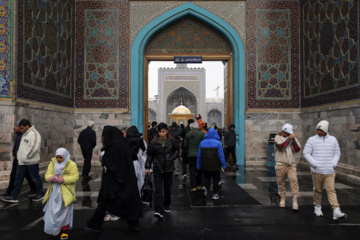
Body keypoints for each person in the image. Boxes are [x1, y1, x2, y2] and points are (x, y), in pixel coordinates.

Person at [85, 126, 142, 233]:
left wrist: (105, 157)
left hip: (115, 182)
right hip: (125, 181)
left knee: (105, 202)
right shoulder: (121, 145)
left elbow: (112, 163)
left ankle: (94, 225)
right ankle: (133, 225)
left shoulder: (115, 148)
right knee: (126, 203)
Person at [303, 120, 347, 220]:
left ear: (325, 130)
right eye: (317, 130)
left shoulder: (333, 140)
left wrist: (333, 164)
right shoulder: (312, 140)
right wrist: (314, 164)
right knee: (317, 190)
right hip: (317, 171)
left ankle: (336, 210)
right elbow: (306, 153)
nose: (318, 132)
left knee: (331, 190)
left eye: (321, 130)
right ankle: (317, 207)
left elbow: (337, 153)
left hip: (329, 171)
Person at [2, 119, 44, 203]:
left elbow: (35, 147)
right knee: (18, 178)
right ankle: (14, 196)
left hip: (31, 162)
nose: (21, 130)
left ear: (27, 126)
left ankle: (40, 193)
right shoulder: (25, 134)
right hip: (21, 162)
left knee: (35, 178)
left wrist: (27, 156)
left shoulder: (34, 134)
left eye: (22, 128)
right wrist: (20, 156)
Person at [43, 148, 79, 239]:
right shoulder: (53, 163)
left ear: (65, 156)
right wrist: (50, 178)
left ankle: (64, 230)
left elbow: (75, 177)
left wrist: (63, 179)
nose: (59, 159)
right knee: (53, 211)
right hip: (54, 192)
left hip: (65, 192)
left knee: (64, 212)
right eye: (57, 157)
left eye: (61, 157)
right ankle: (55, 229)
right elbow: (47, 174)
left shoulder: (72, 164)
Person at [145, 123, 179, 219]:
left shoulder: (172, 141)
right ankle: (158, 210)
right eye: (160, 132)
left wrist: (172, 157)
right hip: (157, 168)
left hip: (168, 168)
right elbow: (150, 155)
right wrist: (147, 167)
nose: (161, 134)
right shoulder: (154, 142)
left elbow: (177, 150)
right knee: (158, 190)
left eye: (163, 132)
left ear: (166, 131)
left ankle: (166, 204)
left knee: (167, 188)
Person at [274, 123, 301, 211]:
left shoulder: (292, 138)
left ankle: (295, 201)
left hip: (291, 164)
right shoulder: (277, 137)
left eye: (286, 132)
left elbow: (297, 149)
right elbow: (280, 146)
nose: (284, 133)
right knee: (280, 182)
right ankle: (282, 198)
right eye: (283, 131)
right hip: (281, 164)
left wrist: (292, 140)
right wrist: (290, 138)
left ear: (289, 133)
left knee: (294, 181)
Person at [197, 128, 226, 200]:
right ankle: (215, 194)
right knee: (216, 179)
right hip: (215, 165)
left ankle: (205, 188)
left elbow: (199, 156)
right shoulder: (218, 143)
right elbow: (221, 155)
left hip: (205, 165)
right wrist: (223, 165)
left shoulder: (202, 143)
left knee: (206, 177)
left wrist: (198, 166)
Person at [184, 122, 204, 191]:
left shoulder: (188, 134)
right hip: (199, 154)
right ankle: (199, 185)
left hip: (190, 154)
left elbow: (185, 145)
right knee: (199, 169)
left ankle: (193, 187)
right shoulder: (201, 133)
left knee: (191, 170)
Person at [126, 126, 146, 194]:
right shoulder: (139, 139)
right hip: (136, 161)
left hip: (127, 161)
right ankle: (138, 194)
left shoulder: (126, 140)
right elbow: (144, 149)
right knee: (139, 179)